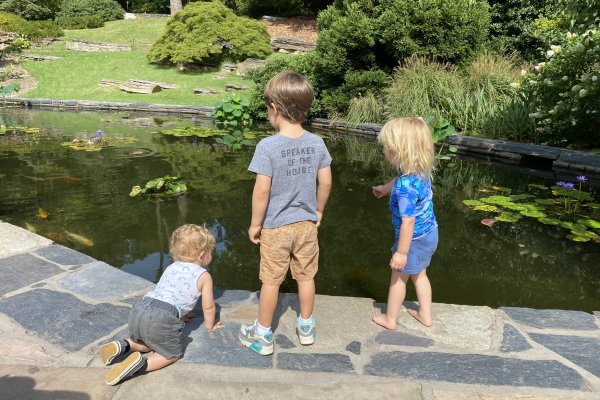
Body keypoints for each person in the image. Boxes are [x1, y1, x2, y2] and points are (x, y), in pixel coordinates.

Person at [239, 71, 333, 355]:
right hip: (306, 225)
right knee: (306, 277)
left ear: (275, 109)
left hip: (276, 227)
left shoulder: (267, 146)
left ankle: (263, 335)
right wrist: (318, 210)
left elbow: (262, 191)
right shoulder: (317, 142)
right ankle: (306, 328)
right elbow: (326, 181)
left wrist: (255, 224)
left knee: (271, 281)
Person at [99, 224, 224, 385]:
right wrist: (210, 325)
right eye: (210, 252)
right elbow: (208, 307)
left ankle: (123, 345)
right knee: (171, 354)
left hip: (141, 308)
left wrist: (181, 314)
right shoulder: (203, 276)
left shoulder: (171, 267)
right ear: (201, 255)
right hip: (162, 318)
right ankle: (140, 365)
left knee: (147, 343)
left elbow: (169, 293)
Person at [371, 117, 438, 329]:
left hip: (412, 239)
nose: (385, 152)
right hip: (430, 233)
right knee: (420, 275)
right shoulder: (418, 171)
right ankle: (425, 315)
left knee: (399, 278)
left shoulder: (405, 187)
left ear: (402, 151)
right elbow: (398, 179)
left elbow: (408, 222)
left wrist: (401, 252)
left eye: (388, 149)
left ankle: (390, 319)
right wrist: (385, 187)